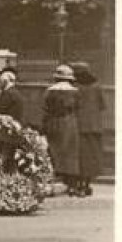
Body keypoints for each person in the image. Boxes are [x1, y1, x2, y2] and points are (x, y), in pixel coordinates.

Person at [42, 64, 80, 195]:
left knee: (54, 150)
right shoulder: (75, 92)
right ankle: (70, 182)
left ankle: (54, 179)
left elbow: (45, 108)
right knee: (69, 152)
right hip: (69, 123)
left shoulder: (49, 91)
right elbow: (78, 108)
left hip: (53, 122)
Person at [71, 62, 105, 196]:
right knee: (92, 157)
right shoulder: (97, 86)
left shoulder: (75, 88)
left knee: (80, 157)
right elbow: (102, 105)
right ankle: (87, 183)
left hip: (80, 127)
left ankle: (79, 185)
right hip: (95, 128)